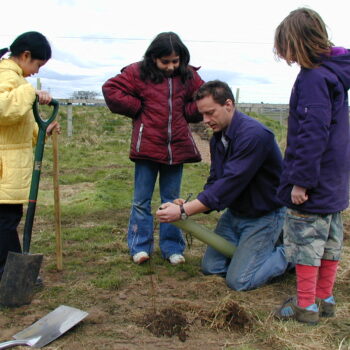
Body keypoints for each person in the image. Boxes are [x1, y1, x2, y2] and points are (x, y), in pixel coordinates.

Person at [156, 80, 289, 291]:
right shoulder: (219, 139)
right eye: (202, 114)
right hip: (235, 215)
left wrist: (183, 211)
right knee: (211, 267)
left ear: (228, 104)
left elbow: (229, 184)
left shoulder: (255, 136)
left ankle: (289, 254)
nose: (205, 120)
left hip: (264, 216)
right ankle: (253, 255)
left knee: (239, 281)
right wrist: (190, 204)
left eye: (210, 113)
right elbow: (216, 181)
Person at [273, 8, 350, 325]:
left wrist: (300, 182)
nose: (286, 56)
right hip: (335, 179)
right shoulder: (334, 74)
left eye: (286, 48)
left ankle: (306, 306)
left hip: (313, 180)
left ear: (297, 42)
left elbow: (312, 133)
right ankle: (325, 299)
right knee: (330, 240)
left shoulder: (313, 78)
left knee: (306, 241)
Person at [102, 32, 204, 265]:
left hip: (176, 147)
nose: (170, 66)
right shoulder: (137, 72)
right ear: (153, 58)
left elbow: (202, 98)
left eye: (175, 61)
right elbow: (111, 89)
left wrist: (186, 113)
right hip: (147, 146)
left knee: (173, 200)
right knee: (141, 201)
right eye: (165, 61)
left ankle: (172, 248)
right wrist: (138, 108)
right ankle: (139, 247)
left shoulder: (188, 76)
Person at [0, 31, 60, 279]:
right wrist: (31, 93)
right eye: (37, 64)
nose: (36, 71)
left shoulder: (15, 78)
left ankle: (10, 273)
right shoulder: (5, 74)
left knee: (8, 219)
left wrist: (43, 130)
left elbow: (19, 126)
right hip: (4, 168)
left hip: (10, 166)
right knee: (5, 223)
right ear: (25, 55)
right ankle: (9, 275)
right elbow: (3, 110)